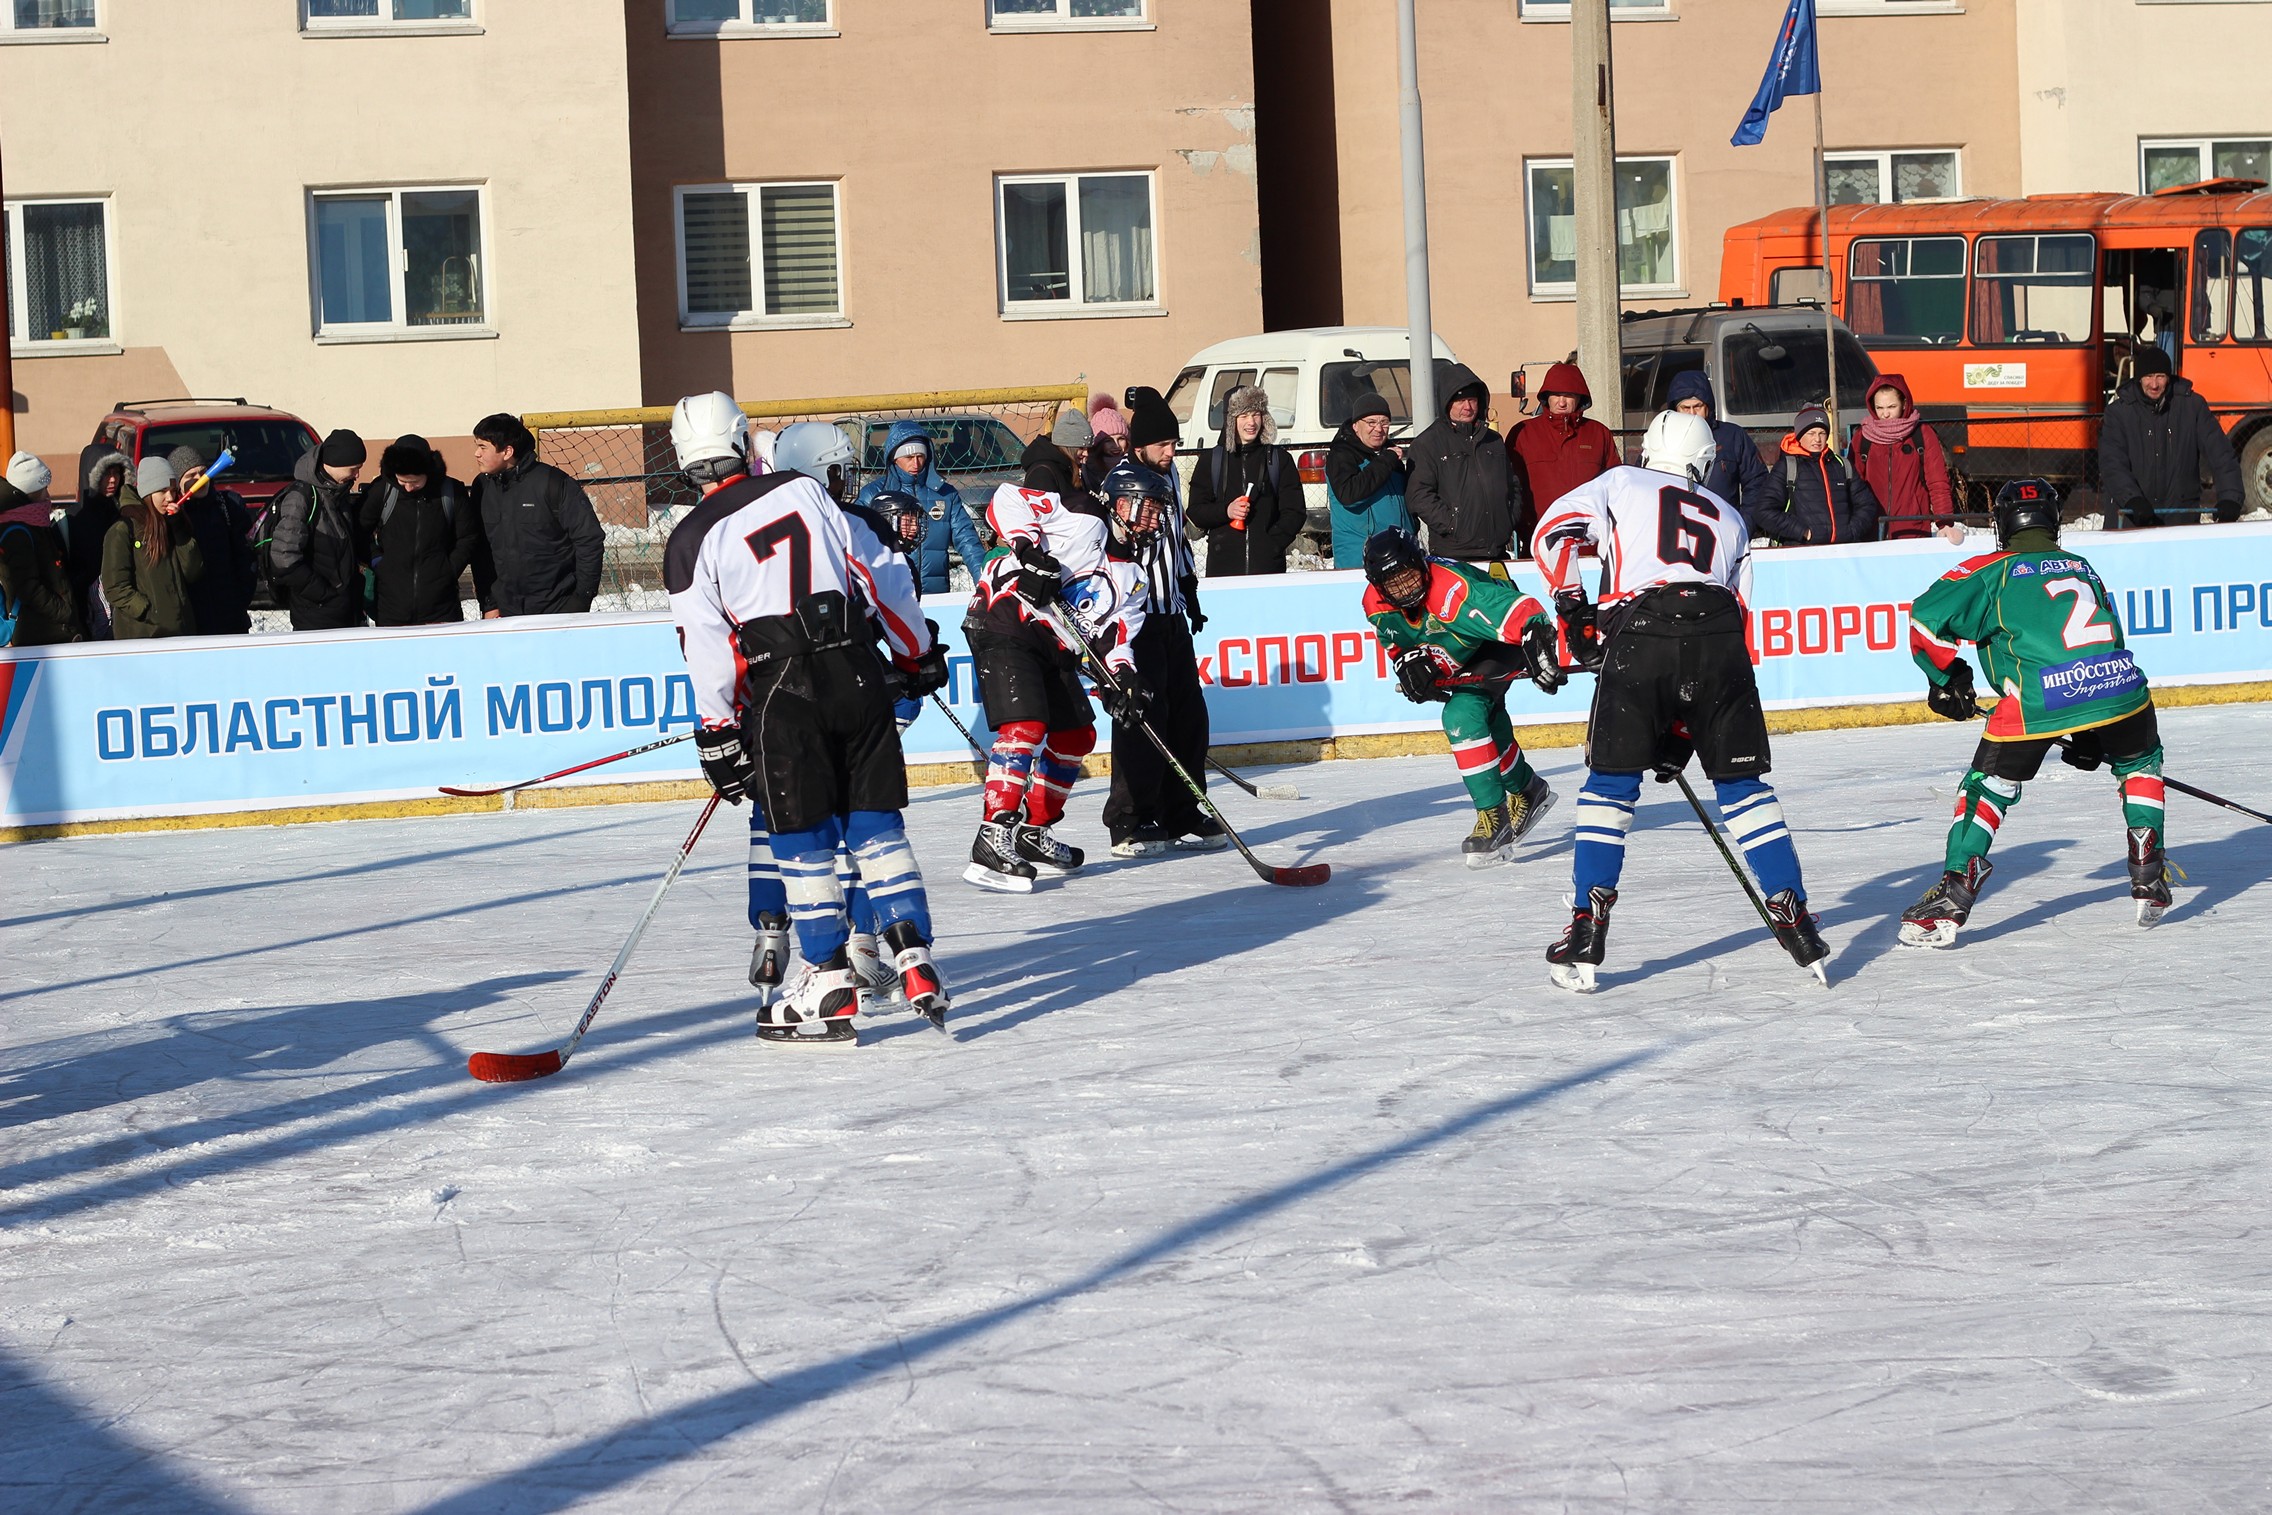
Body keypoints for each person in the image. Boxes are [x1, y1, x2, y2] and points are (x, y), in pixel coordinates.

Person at [665, 393, 951, 1044]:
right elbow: (877, 573)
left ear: (684, 459)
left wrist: (717, 732)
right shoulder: (803, 489)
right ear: (742, 441)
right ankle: (910, 945)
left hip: (782, 692)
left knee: (801, 838)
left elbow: (708, 650)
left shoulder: (689, 540)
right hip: (854, 669)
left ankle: (824, 978)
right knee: (874, 821)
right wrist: (915, 653)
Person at [1533, 410, 1830, 991]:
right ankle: (1792, 909)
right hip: (1719, 641)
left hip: (1641, 632)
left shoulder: (1620, 480)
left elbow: (1554, 533)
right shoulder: (1732, 517)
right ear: (1706, 461)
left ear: (1649, 450)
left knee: (1610, 787)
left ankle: (1587, 922)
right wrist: (1684, 730)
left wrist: (1572, 608)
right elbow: (1735, 618)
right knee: (1744, 790)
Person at [1899, 478, 2171, 943]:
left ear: (2003, 525)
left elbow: (1924, 619)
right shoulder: (2081, 566)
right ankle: (2148, 863)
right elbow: (2112, 639)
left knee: (1986, 788)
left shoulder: (1993, 569)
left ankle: (1956, 889)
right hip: (2122, 690)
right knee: (2141, 763)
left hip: (2036, 700)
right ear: (2054, 523)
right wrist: (2092, 730)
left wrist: (1947, 679)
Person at [961, 465, 1153, 891]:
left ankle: (1033, 831)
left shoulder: (1133, 577)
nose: (1154, 520)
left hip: (1053, 641)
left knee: (1076, 735)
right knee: (1025, 727)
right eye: (1149, 508)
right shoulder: (1080, 513)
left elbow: (1116, 634)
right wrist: (1029, 551)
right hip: (1005, 617)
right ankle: (992, 835)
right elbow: (1006, 499)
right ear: (1122, 504)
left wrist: (1122, 678)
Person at [1362, 526, 1559, 866]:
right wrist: (1407, 663)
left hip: (1495, 643)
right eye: (1393, 584)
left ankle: (1494, 821)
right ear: (1379, 587)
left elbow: (1522, 609)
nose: (1405, 588)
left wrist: (1537, 639)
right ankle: (1528, 788)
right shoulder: (1374, 603)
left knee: (1462, 715)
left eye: (1408, 576)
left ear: (1421, 563)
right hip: (1462, 649)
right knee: (1487, 721)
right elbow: (1397, 643)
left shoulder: (1453, 591)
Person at [1101, 387, 1218, 856]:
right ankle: (1130, 819)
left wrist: (1188, 591)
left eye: (1174, 444)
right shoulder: (1122, 484)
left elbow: (1179, 545)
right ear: (1139, 446)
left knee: (1189, 718)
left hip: (1170, 618)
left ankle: (1181, 811)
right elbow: (1113, 550)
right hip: (1137, 620)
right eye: (1163, 445)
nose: (1171, 453)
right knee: (1142, 720)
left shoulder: (1166, 482)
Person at [469, 413, 604, 617]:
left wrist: (581, 599)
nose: (476, 454)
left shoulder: (554, 483)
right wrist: (489, 603)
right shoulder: (482, 486)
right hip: (504, 611)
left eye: (483, 447)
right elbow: (480, 550)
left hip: (558, 608)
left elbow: (589, 540)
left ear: (507, 451)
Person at [2099, 348, 2243, 528]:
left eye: (2160, 376)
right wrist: (2131, 499)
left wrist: (2231, 497)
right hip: (2131, 520)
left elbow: (2221, 454)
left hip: (2179, 521)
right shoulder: (2119, 413)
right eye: (2148, 376)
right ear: (2139, 378)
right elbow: (2112, 463)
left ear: (2169, 377)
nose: (2154, 384)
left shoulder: (2192, 407)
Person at [1404, 365, 1520, 571]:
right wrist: (1452, 524)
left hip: (1497, 554)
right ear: (1447, 402)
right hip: (1453, 556)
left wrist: (1508, 520)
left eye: (1472, 399)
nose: (1467, 406)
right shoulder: (1428, 443)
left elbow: (1513, 485)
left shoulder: (1493, 440)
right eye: (1459, 400)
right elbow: (1418, 495)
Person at [854, 420, 986, 595]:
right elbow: (855, 541)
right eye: (908, 458)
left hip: (936, 595)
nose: (916, 463)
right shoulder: (874, 495)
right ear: (894, 458)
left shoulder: (945, 494)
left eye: (920, 456)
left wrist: (985, 583)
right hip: (892, 595)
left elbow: (967, 540)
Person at [1185, 385, 1304, 577]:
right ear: (1231, 420)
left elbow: (1295, 511)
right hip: (1223, 571)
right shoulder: (1211, 461)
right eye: (1244, 416)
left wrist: (1272, 544)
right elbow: (1196, 511)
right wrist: (1226, 510)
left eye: (1256, 414)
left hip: (1268, 570)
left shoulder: (1279, 459)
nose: (1251, 422)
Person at [360, 435, 478, 626]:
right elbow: (359, 532)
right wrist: (377, 560)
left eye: (414, 482)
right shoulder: (381, 491)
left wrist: (449, 569)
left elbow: (468, 536)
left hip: (441, 606)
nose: (408, 488)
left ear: (428, 473)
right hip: (392, 605)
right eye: (402, 481)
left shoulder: (451, 491)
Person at [1506, 361, 1618, 556]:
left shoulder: (1599, 434)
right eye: (1556, 395)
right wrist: (1524, 527)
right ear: (1546, 397)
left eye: (1568, 395)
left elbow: (1616, 486)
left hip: (1591, 548)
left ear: (1580, 398)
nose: (1562, 402)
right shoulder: (1523, 434)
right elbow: (1510, 488)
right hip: (1539, 543)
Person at [269, 430, 368, 631]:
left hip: (343, 608)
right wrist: (323, 594)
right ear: (335, 464)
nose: (357, 475)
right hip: (315, 612)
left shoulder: (338, 493)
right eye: (353, 469)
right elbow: (284, 558)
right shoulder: (301, 497)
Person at [101, 456, 205, 640]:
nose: (170, 498)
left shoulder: (173, 523)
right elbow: (115, 587)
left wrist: (179, 530)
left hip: (181, 632)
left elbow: (193, 572)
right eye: (162, 491)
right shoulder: (123, 530)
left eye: (173, 491)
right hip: (143, 636)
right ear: (147, 493)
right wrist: (150, 612)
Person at [1850, 376, 1956, 541]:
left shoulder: (1921, 433)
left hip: (1913, 528)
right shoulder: (1862, 437)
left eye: (1892, 406)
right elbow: (1853, 486)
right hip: (1871, 529)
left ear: (1904, 404)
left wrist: (1945, 522)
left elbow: (1937, 481)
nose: (1885, 414)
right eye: (1879, 407)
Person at [1757, 406, 1882, 545]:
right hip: (1802, 554)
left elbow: (1867, 505)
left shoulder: (1842, 465)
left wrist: (1851, 531)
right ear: (1800, 435)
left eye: (1822, 433)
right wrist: (1802, 532)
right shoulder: (1787, 466)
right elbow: (1764, 511)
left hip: (1841, 553)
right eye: (1811, 433)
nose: (1817, 439)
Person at [168, 445, 258, 636]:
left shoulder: (228, 506)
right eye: (190, 475)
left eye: (203, 472)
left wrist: (241, 597)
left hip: (231, 617)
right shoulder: (174, 516)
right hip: (193, 621)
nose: (200, 479)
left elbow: (246, 556)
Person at [1666, 370, 1775, 525]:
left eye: (1697, 406)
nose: (1692, 413)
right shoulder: (1663, 439)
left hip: (1724, 528)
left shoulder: (1732, 436)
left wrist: (1743, 525)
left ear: (1708, 406)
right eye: (1685, 408)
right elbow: (1644, 481)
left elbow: (1757, 482)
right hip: (1678, 531)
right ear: (1675, 409)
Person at [1, 452, 81, 646]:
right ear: (30, 490)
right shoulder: (18, 532)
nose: (48, 495)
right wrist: (64, 612)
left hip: (49, 629)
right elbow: (28, 587)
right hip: (39, 633)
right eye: (43, 488)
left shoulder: (34, 522)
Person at [1326, 391, 1412, 568]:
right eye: (1371, 422)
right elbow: (1350, 495)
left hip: (1399, 553)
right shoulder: (1342, 454)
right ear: (1356, 425)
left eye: (1384, 422)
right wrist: (1386, 461)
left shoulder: (1390, 456)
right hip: (1360, 558)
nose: (1379, 429)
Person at [67, 450, 129, 638]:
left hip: (123, 610)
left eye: (116, 473)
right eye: (105, 474)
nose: (112, 480)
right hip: (84, 614)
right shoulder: (72, 519)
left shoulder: (125, 513)